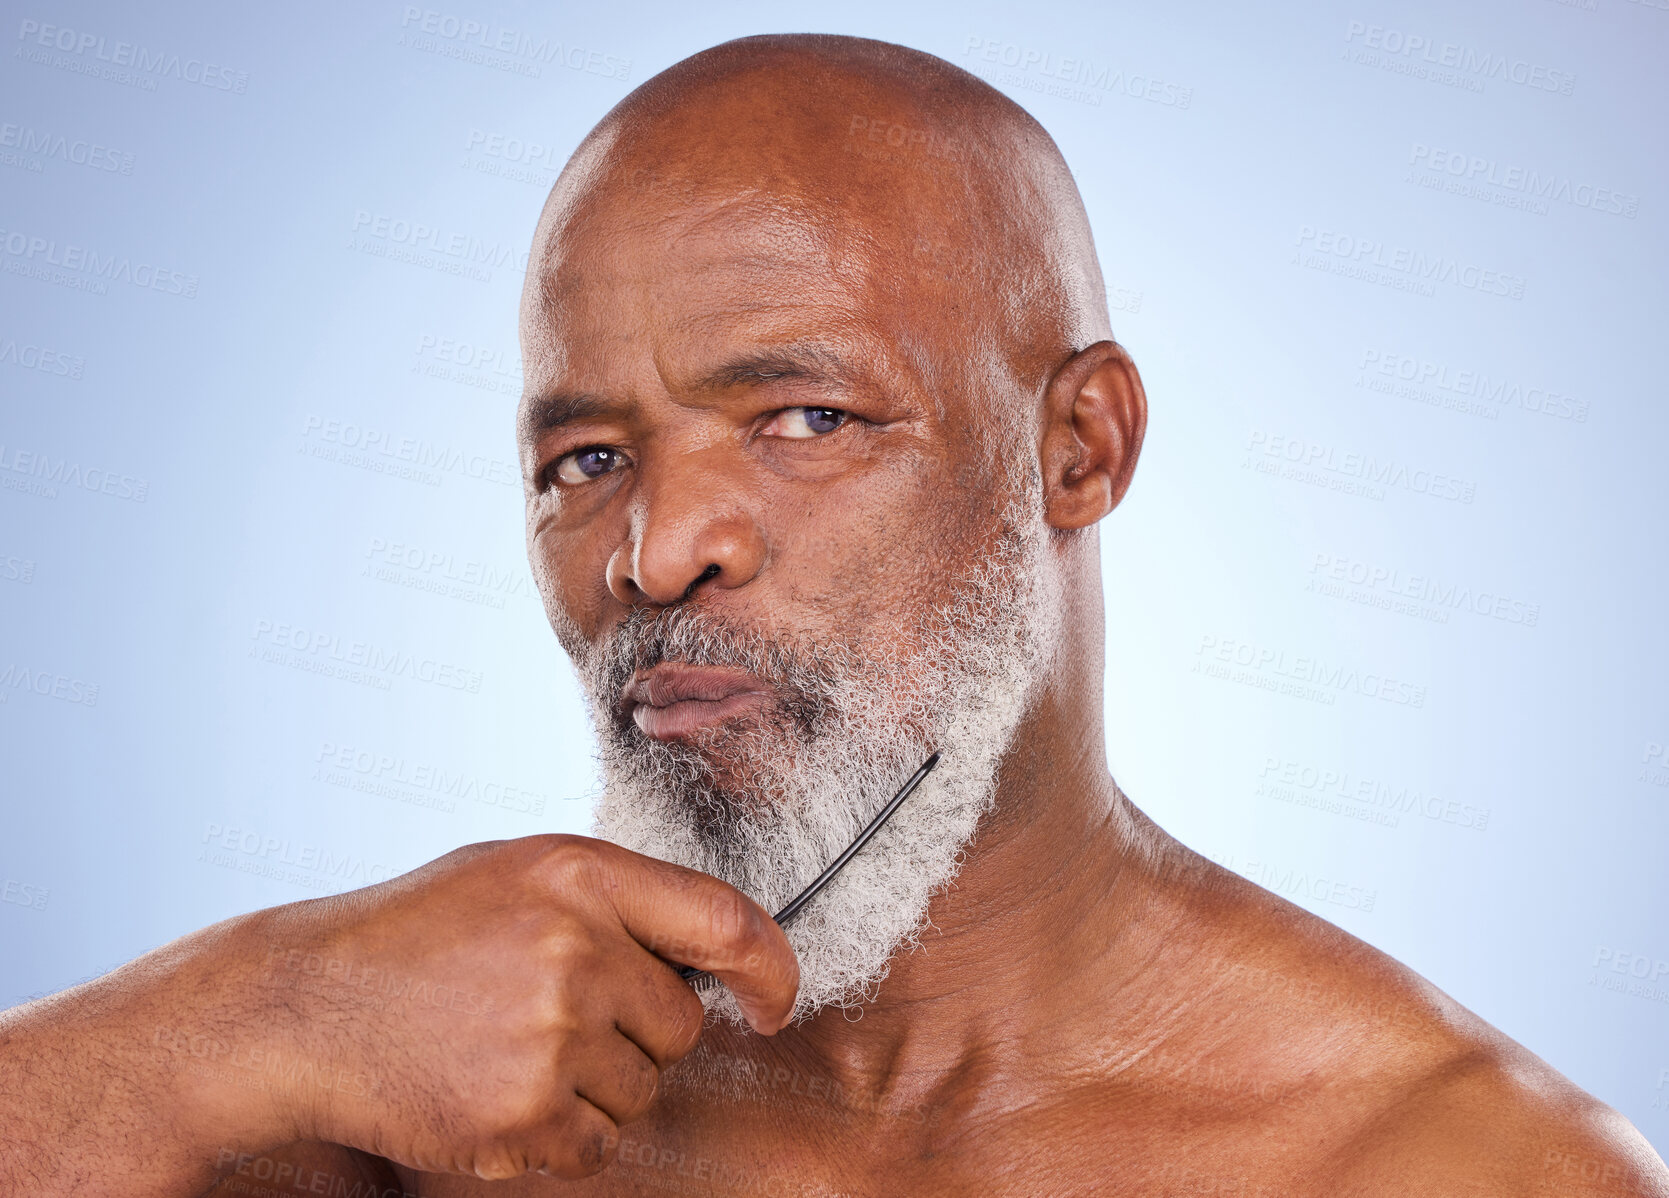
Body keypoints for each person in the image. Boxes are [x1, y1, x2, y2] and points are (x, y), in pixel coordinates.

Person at [4, 33, 1665, 1198]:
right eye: (585, 458)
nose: (653, 552)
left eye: (804, 419)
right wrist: (232, 1014)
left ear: (1075, 448)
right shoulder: (398, 1107)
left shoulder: (1455, 1168)